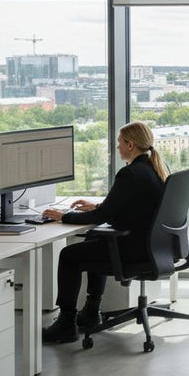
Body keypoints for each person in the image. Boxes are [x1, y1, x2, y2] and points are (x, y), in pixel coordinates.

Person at [40, 121, 169, 344]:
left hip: (133, 252)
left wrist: (64, 217)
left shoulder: (130, 174)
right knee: (94, 238)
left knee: (69, 256)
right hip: (155, 248)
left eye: (119, 143)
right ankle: (91, 312)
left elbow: (99, 219)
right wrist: (98, 206)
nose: (117, 147)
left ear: (130, 145)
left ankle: (67, 323)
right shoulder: (154, 168)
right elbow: (127, 207)